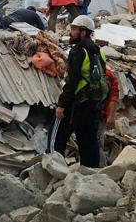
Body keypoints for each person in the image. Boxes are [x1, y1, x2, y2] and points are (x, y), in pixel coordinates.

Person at [47, 15, 109, 167]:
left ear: (83, 32)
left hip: (76, 102)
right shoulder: (98, 51)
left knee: (56, 136)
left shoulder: (78, 51)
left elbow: (72, 81)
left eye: (74, 29)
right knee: (88, 140)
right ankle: (90, 172)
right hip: (93, 103)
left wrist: (62, 105)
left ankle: (54, 168)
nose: (71, 32)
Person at [97, 68, 119, 167]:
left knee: (97, 142)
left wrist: (111, 116)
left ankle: (101, 167)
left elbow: (114, 96)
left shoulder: (109, 74)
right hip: (88, 113)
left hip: (100, 114)